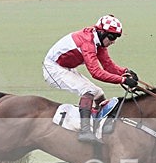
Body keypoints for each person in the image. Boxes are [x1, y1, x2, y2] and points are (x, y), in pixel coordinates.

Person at [43, 14, 140, 143]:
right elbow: (96, 72)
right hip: (53, 68)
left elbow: (108, 65)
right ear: (101, 32)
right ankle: (85, 131)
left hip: (65, 67)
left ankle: (99, 125)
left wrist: (125, 72)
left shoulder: (99, 42)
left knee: (99, 93)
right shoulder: (87, 42)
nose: (113, 41)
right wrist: (122, 80)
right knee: (88, 91)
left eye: (116, 37)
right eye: (111, 37)